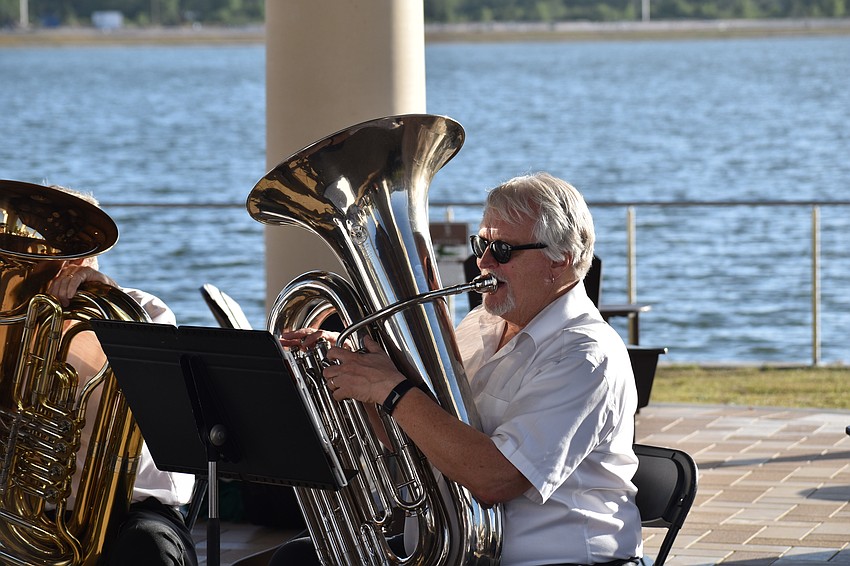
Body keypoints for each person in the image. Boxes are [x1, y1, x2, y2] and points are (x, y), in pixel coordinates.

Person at [271, 172, 643, 565]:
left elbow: (495, 478)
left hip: (555, 560)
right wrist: (357, 374)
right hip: (456, 550)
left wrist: (392, 390)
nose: (481, 262)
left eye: (501, 250)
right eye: (481, 243)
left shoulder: (585, 355)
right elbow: (416, 440)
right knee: (294, 559)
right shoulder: (481, 324)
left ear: (559, 261)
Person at [47, 187, 198, 566]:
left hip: (135, 508)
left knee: (147, 549)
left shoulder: (146, 310)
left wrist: (110, 314)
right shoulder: (13, 321)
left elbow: (166, 410)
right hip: (31, 507)